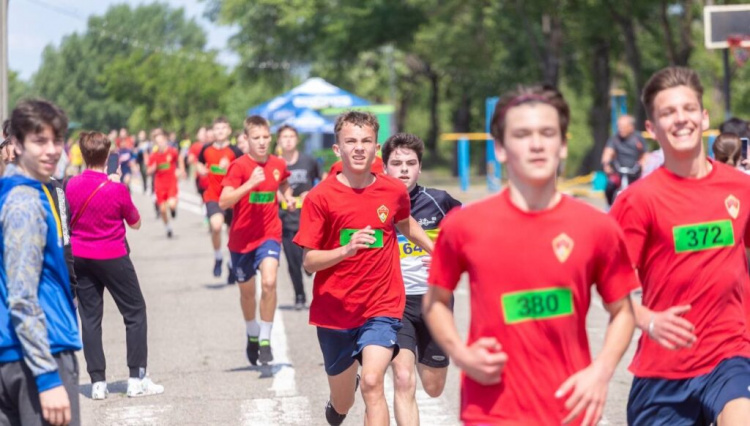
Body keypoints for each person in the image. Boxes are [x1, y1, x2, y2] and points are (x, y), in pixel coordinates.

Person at [424, 85, 638, 426]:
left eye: (547, 133)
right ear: (500, 149)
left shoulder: (597, 227)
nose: (537, 144)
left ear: (563, 144)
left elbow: (623, 311)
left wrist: (601, 372)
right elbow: (435, 300)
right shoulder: (464, 225)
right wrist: (461, 354)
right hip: (490, 410)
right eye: (522, 134)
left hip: (570, 409)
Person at [609, 67, 750, 426]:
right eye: (668, 112)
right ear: (651, 129)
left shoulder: (741, 188)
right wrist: (649, 319)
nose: (681, 119)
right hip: (663, 372)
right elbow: (609, 284)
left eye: (688, 109)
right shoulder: (638, 201)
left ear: (704, 118)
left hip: (731, 355)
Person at [293, 111, 434, 426]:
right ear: (337, 149)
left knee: (372, 381)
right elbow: (309, 260)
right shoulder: (320, 198)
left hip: (381, 305)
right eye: (351, 141)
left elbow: (404, 222)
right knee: (343, 402)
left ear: (376, 147)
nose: (359, 148)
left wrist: (439, 252)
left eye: (366, 141)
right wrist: (345, 249)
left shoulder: (392, 191)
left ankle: (362, 381)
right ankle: (338, 403)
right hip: (335, 312)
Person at [0, 99, 82, 426]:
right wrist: (48, 377)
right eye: (39, 141)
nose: (52, 150)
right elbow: (22, 295)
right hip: (37, 354)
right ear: (16, 144)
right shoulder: (25, 202)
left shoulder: (9, 193)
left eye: (57, 140)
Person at [66, 131, 164, 400]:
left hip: (82, 256)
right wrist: (117, 183)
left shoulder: (71, 185)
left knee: (90, 318)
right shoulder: (116, 188)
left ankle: (97, 382)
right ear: (108, 156)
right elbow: (135, 222)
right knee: (135, 312)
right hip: (112, 254)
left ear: (83, 156)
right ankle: (136, 377)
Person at [382, 132, 461, 426]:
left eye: (410, 163)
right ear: (385, 166)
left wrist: (449, 255)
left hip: (434, 302)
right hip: (393, 302)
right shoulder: (374, 203)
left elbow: (471, 234)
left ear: (419, 167)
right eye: (397, 162)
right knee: (403, 379)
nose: (403, 169)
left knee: (433, 385)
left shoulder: (440, 201)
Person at [219, 115, 295, 366]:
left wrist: (287, 197)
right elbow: (224, 201)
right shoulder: (239, 167)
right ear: (246, 139)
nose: (262, 142)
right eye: (256, 138)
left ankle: (265, 339)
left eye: (265, 137)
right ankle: (252, 333)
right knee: (248, 293)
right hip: (241, 240)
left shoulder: (277, 163)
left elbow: (283, 182)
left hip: (269, 234)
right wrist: (250, 184)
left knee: (270, 282)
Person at [276, 124, 322, 310]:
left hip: (308, 219)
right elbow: (270, 186)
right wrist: (282, 197)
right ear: (279, 141)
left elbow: (323, 181)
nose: (288, 140)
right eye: (284, 137)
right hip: (286, 218)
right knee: (293, 262)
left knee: (308, 262)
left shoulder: (308, 161)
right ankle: (300, 295)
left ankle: (309, 272)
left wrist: (310, 194)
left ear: (297, 140)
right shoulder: (275, 163)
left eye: (291, 136)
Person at [198, 117, 243, 281]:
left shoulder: (235, 151)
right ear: (213, 131)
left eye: (223, 128)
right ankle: (218, 257)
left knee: (232, 234)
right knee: (216, 227)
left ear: (229, 130)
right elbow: (199, 162)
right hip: (213, 195)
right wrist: (201, 169)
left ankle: (231, 264)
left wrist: (229, 166)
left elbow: (243, 171)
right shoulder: (206, 149)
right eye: (217, 128)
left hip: (231, 197)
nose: (220, 131)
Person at [601, 114, 647, 205]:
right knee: (610, 185)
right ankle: (610, 207)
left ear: (631, 127)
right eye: (619, 126)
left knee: (644, 191)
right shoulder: (615, 139)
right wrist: (606, 164)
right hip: (619, 172)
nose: (620, 129)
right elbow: (608, 152)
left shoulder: (638, 138)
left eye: (623, 127)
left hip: (635, 173)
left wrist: (643, 165)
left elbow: (645, 154)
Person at [148, 128, 185, 238]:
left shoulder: (172, 151)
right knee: (163, 210)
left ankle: (173, 210)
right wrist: (153, 168)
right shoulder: (154, 156)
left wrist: (181, 170)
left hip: (171, 182)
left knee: (172, 204)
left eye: (162, 141)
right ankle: (168, 228)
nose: (160, 144)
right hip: (159, 184)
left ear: (165, 140)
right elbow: (149, 170)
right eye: (157, 142)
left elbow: (180, 159)